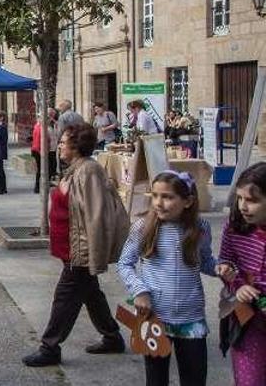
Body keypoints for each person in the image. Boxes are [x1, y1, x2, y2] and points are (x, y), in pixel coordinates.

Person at [23, 123, 126, 367]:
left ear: (77, 146)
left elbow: (96, 215)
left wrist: (92, 253)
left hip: (78, 250)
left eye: (63, 142)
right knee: (91, 293)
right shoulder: (75, 169)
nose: (59, 146)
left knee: (65, 296)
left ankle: (49, 347)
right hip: (71, 247)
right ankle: (112, 336)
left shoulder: (88, 171)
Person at [117, 171, 220, 386]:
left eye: (167, 197)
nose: (159, 203)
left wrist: (220, 268)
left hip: (191, 319)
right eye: (154, 195)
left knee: (195, 377)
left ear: (188, 201)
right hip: (154, 317)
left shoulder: (200, 229)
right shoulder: (142, 228)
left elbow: (205, 261)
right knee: (155, 379)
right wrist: (139, 291)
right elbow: (124, 263)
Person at [217, 162, 266, 386]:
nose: (243, 206)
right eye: (240, 198)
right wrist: (236, 283)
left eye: (252, 200)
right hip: (247, 322)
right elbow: (225, 262)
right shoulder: (235, 226)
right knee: (249, 380)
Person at [32, 107, 59, 194]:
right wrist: (43, 152)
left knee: (47, 169)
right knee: (43, 169)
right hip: (43, 151)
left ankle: (42, 185)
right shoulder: (41, 127)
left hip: (47, 150)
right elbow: (40, 141)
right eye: (49, 117)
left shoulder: (42, 126)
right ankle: (39, 186)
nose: (51, 118)